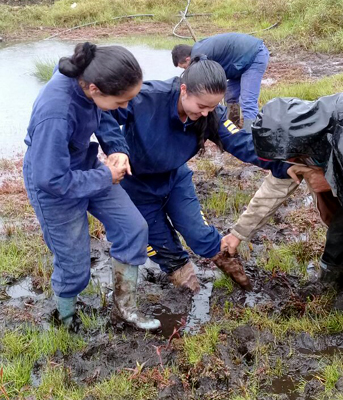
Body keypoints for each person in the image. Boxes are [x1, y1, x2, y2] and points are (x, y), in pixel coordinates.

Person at [95, 56, 291, 294]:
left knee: (199, 235)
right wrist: (116, 149)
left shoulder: (211, 114)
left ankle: (240, 279)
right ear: (184, 90)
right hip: (138, 188)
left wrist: (283, 165)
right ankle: (189, 288)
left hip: (175, 180)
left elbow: (241, 143)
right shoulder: (147, 97)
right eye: (202, 106)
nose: (208, 113)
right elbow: (102, 112)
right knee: (165, 249)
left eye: (212, 107)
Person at [22, 42, 160, 331]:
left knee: (133, 228)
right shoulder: (55, 113)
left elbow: (105, 114)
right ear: (95, 89)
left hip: (86, 168)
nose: (125, 108)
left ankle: (125, 308)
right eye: (122, 102)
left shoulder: (90, 79)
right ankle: (65, 319)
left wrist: (117, 148)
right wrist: (106, 176)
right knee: (74, 265)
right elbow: (52, 179)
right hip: (53, 184)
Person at [220, 92, 343, 289]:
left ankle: (335, 292)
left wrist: (333, 179)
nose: (287, 162)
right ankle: (330, 283)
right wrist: (237, 234)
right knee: (342, 234)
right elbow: (274, 187)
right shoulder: (299, 141)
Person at [171, 33, 269, 133]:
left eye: (184, 67)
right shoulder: (199, 49)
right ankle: (232, 127)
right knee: (231, 96)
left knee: (248, 101)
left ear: (188, 59)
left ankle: (251, 137)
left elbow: (206, 81)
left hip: (254, 56)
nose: (186, 70)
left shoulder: (200, 57)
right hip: (239, 62)